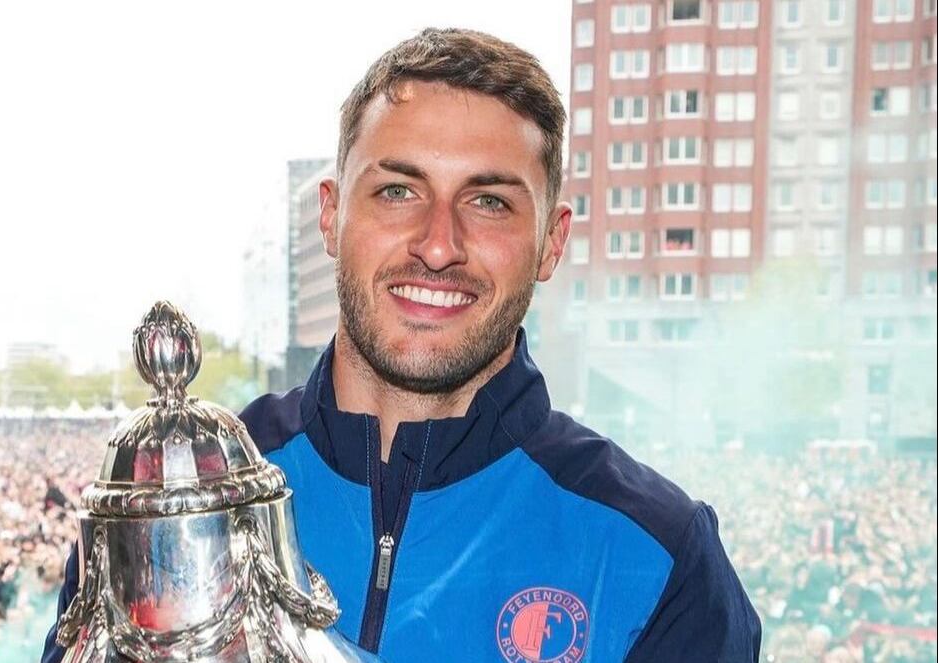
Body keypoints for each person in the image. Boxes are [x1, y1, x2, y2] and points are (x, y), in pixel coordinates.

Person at [42, 28, 761, 662]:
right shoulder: (171, 504)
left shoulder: (656, 556)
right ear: (332, 215)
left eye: (490, 201)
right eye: (397, 191)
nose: (439, 244)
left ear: (552, 241)